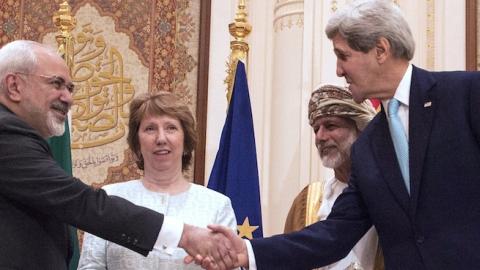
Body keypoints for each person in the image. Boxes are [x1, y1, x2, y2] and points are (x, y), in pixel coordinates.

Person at [204, 0, 480, 269]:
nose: (338, 70)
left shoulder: (464, 95)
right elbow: (335, 234)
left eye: (343, 55)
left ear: (380, 50)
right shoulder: (367, 147)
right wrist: (247, 251)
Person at [0, 40, 235, 270]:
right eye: (56, 84)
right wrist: (184, 235)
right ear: (14, 86)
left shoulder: (216, 203)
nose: (68, 98)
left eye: (69, 88)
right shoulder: (6, 135)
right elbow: (80, 203)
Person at [78, 92, 238, 269]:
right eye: (150, 129)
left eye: (171, 128)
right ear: (137, 145)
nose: (161, 138)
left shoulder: (217, 205)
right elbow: (90, 266)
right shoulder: (109, 198)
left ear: (186, 143)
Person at [283, 85, 382, 270]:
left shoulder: (390, 194)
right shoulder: (307, 202)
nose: (320, 136)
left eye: (331, 126)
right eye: (315, 129)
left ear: (360, 129)